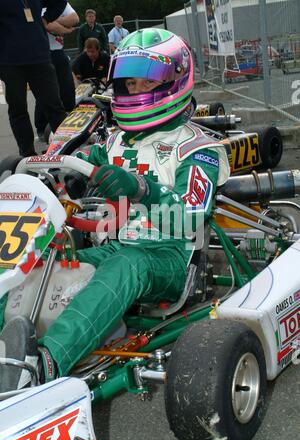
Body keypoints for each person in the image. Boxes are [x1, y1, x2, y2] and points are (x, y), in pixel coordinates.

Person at [0, 28, 230, 388]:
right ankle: (6, 351)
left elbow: (190, 217)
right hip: (115, 247)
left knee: (127, 265)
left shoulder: (197, 149)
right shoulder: (115, 141)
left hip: (169, 258)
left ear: (174, 81)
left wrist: (142, 188)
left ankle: (45, 363)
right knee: (42, 263)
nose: (134, 91)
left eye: (143, 82)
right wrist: (48, 170)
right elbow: (74, 162)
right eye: (128, 83)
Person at [0, 0, 68, 158]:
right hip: (10, 63)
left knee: (54, 106)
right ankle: (28, 155)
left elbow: (60, 2)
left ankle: (67, 148)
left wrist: (46, 18)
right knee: (18, 110)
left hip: (40, 58)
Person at [34, 2, 79, 141]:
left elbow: (75, 19)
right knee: (45, 92)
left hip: (58, 52)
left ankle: (70, 124)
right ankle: (41, 127)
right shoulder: (35, 5)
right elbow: (47, 25)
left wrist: (52, 21)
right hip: (42, 53)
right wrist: (65, 29)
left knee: (68, 89)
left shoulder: (60, 3)